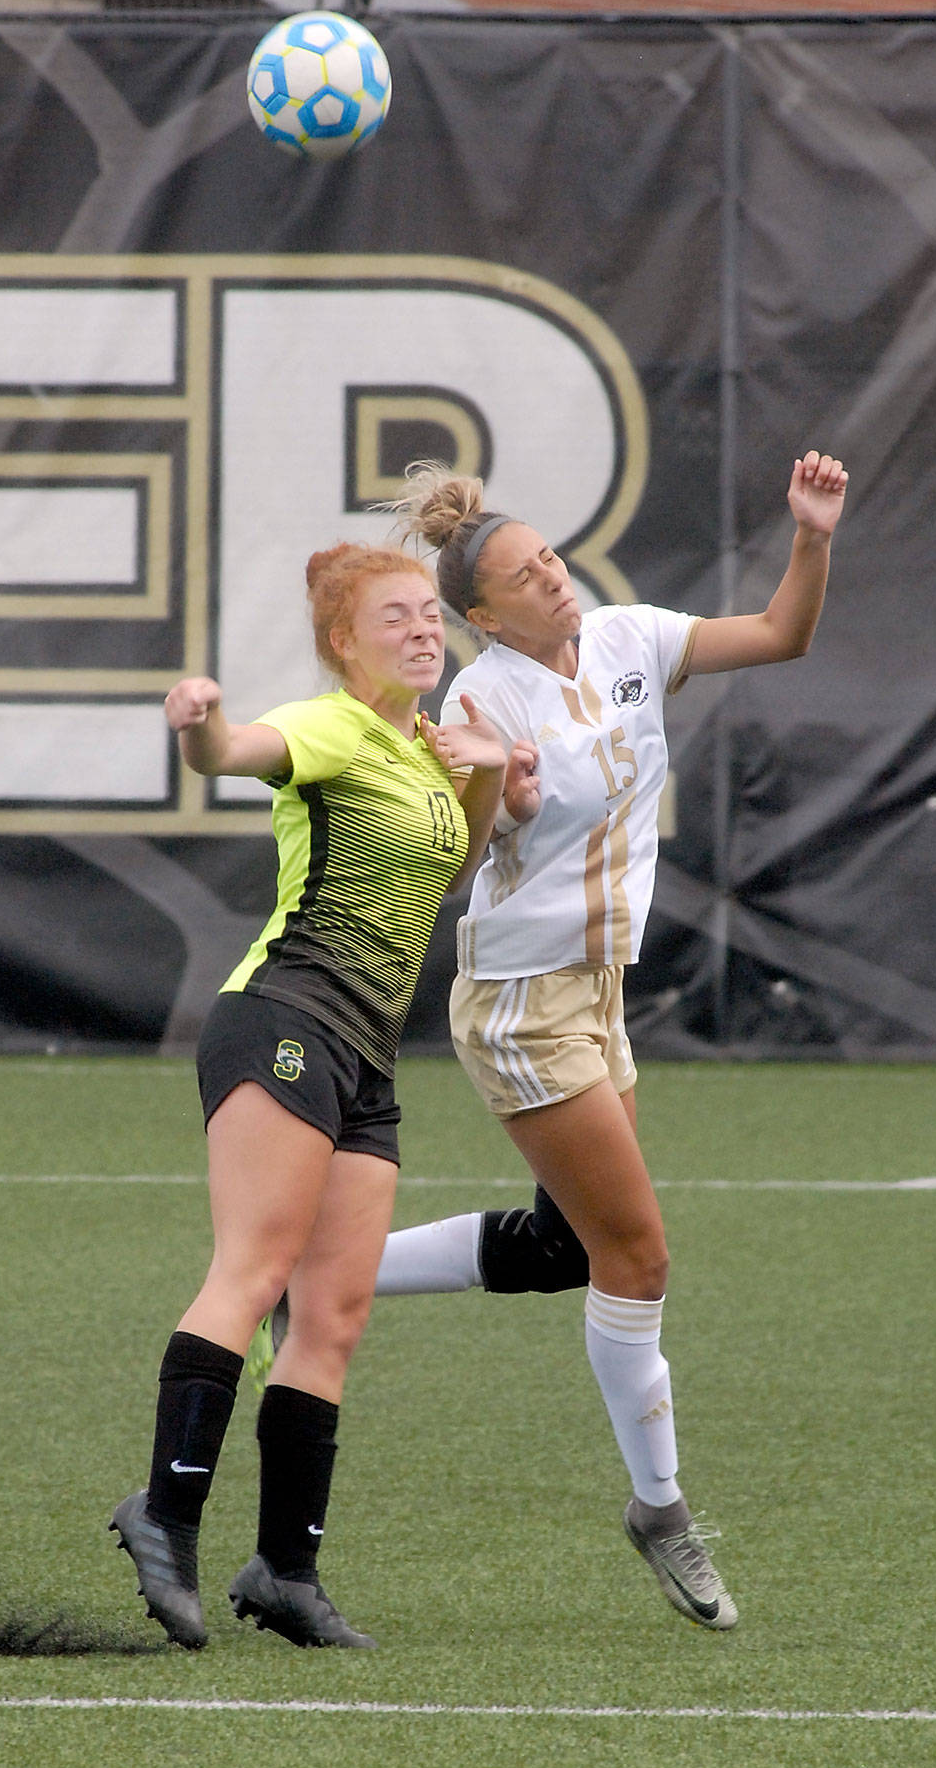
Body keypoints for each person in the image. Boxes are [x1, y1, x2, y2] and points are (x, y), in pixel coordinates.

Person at [368, 449, 849, 1631]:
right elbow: (465, 860)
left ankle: (324, 1271)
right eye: (527, 579)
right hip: (523, 1003)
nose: (554, 580)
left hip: (597, 993)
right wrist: (497, 795)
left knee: (567, 1247)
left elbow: (781, 633)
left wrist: (809, 534)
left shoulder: (630, 637)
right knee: (637, 1259)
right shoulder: (477, 703)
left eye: (551, 559)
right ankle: (659, 1508)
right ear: (480, 617)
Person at [110, 541, 505, 1651]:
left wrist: (483, 774)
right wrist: (198, 721)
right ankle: (166, 1513)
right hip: (283, 1019)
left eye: (431, 613)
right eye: (397, 617)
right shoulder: (333, 725)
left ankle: (286, 1570)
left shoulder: (423, 749)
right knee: (253, 1271)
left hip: (366, 1057)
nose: (424, 630)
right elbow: (231, 750)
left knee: (330, 1317)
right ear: (343, 640)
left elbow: (451, 865)